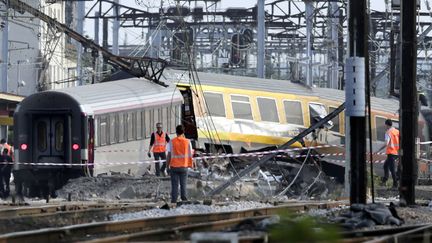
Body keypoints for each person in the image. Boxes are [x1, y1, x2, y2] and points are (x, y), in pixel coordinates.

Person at [166, 125, 194, 204]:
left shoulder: (171, 142)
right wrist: (191, 165)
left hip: (174, 167)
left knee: (174, 185)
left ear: (176, 132)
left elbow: (169, 155)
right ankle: (184, 199)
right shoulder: (188, 141)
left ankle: (174, 201)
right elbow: (190, 154)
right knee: (183, 184)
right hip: (184, 166)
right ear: (183, 132)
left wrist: (167, 166)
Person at [377, 119, 400, 188]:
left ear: (386, 125)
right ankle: (384, 180)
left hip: (391, 153)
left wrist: (378, 150)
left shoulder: (388, 132)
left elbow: (386, 143)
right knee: (385, 166)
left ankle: (395, 184)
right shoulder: (397, 131)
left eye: (385, 125)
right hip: (397, 152)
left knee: (392, 169)